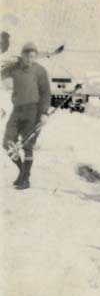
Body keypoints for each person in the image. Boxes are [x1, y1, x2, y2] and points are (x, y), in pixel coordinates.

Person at [1, 42, 51, 190]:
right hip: (17, 110)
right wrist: (10, 63)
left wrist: (44, 113)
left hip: (33, 111)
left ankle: (25, 179)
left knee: (27, 145)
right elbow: (1, 74)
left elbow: (46, 93)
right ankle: (23, 172)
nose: (30, 59)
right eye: (27, 56)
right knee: (7, 143)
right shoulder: (15, 68)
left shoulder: (40, 71)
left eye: (33, 56)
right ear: (22, 55)